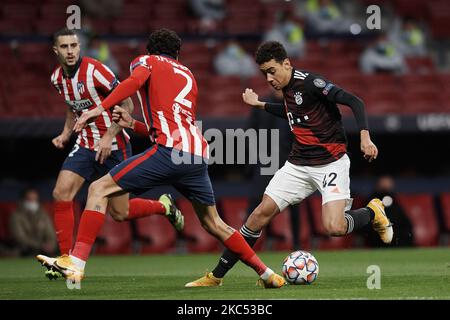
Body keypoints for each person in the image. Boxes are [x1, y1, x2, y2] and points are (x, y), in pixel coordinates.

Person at [39, 29, 285, 289]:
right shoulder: (188, 75)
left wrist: (99, 108)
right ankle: (267, 273)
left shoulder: (146, 61)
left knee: (98, 189)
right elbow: (174, 125)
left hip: (168, 153)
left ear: (150, 50)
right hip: (196, 156)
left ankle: (75, 263)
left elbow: (133, 83)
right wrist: (132, 124)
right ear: (177, 54)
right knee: (215, 224)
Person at [185, 41, 393, 287]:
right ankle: (216, 276)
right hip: (297, 165)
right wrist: (260, 105)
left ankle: (373, 212)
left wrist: (365, 137)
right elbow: (291, 112)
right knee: (257, 216)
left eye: (272, 70)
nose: (269, 78)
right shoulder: (287, 90)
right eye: (264, 74)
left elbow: (355, 101)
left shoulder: (311, 83)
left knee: (335, 227)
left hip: (331, 163)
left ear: (287, 64)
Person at [38, 28, 184, 279]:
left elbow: (127, 103)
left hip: (115, 144)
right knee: (61, 192)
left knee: (120, 213)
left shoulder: (96, 70)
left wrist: (107, 137)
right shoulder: (57, 79)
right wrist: (65, 134)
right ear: (56, 51)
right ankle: (66, 259)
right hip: (85, 144)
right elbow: (72, 107)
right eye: (64, 47)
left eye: (74, 45)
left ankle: (163, 207)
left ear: (80, 47)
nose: (70, 51)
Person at [245, 89, 300, 249]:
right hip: (264, 161)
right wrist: (253, 160)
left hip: (287, 161)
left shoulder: (293, 105)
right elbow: (250, 132)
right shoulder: (261, 105)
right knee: (257, 202)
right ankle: (245, 244)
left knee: (294, 204)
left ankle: (296, 243)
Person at [365, 175, 414, 247]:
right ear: (378, 184)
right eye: (383, 182)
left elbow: (405, 223)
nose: (386, 184)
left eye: (388, 182)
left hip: (397, 241)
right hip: (377, 239)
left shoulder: (394, 201)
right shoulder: (372, 202)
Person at [9, 188, 57, 256]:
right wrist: (40, 246)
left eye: (35, 199)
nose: (32, 202)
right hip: (24, 251)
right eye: (29, 199)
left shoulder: (43, 214)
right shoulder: (16, 216)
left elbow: (51, 234)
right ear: (23, 200)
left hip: (44, 251)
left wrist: (51, 245)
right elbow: (20, 237)